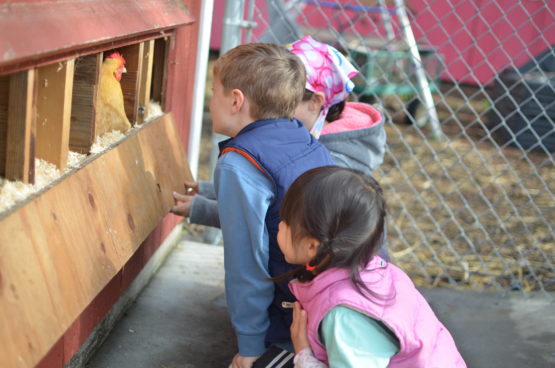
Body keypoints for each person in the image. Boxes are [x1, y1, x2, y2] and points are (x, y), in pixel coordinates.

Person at [201, 43, 335, 368]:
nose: (209, 101)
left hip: (295, 327)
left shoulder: (239, 163)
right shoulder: (300, 136)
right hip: (331, 304)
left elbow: (247, 265)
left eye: (213, 92)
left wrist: (250, 347)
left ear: (235, 101)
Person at [172, 36, 385, 227]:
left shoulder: (332, 162)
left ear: (315, 102)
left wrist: (201, 209)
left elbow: (274, 217)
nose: (274, 103)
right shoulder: (308, 140)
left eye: (286, 96)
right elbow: (272, 191)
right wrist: (209, 191)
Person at [276, 166, 466, 367]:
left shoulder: (345, 316)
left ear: (312, 246)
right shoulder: (377, 270)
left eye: (286, 221)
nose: (279, 226)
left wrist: (304, 356)